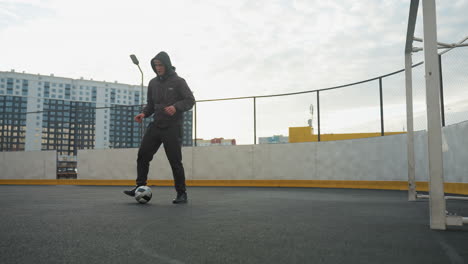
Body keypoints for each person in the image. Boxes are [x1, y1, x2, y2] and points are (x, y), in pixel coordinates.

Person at [124, 51, 195, 204]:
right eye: (155, 65)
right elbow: (151, 104)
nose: (158, 68)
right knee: (143, 155)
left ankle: (182, 194)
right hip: (156, 125)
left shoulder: (179, 82)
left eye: (160, 65)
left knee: (175, 161)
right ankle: (139, 186)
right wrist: (143, 114)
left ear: (167, 65)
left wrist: (176, 107)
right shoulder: (153, 83)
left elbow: (190, 100)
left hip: (172, 127)